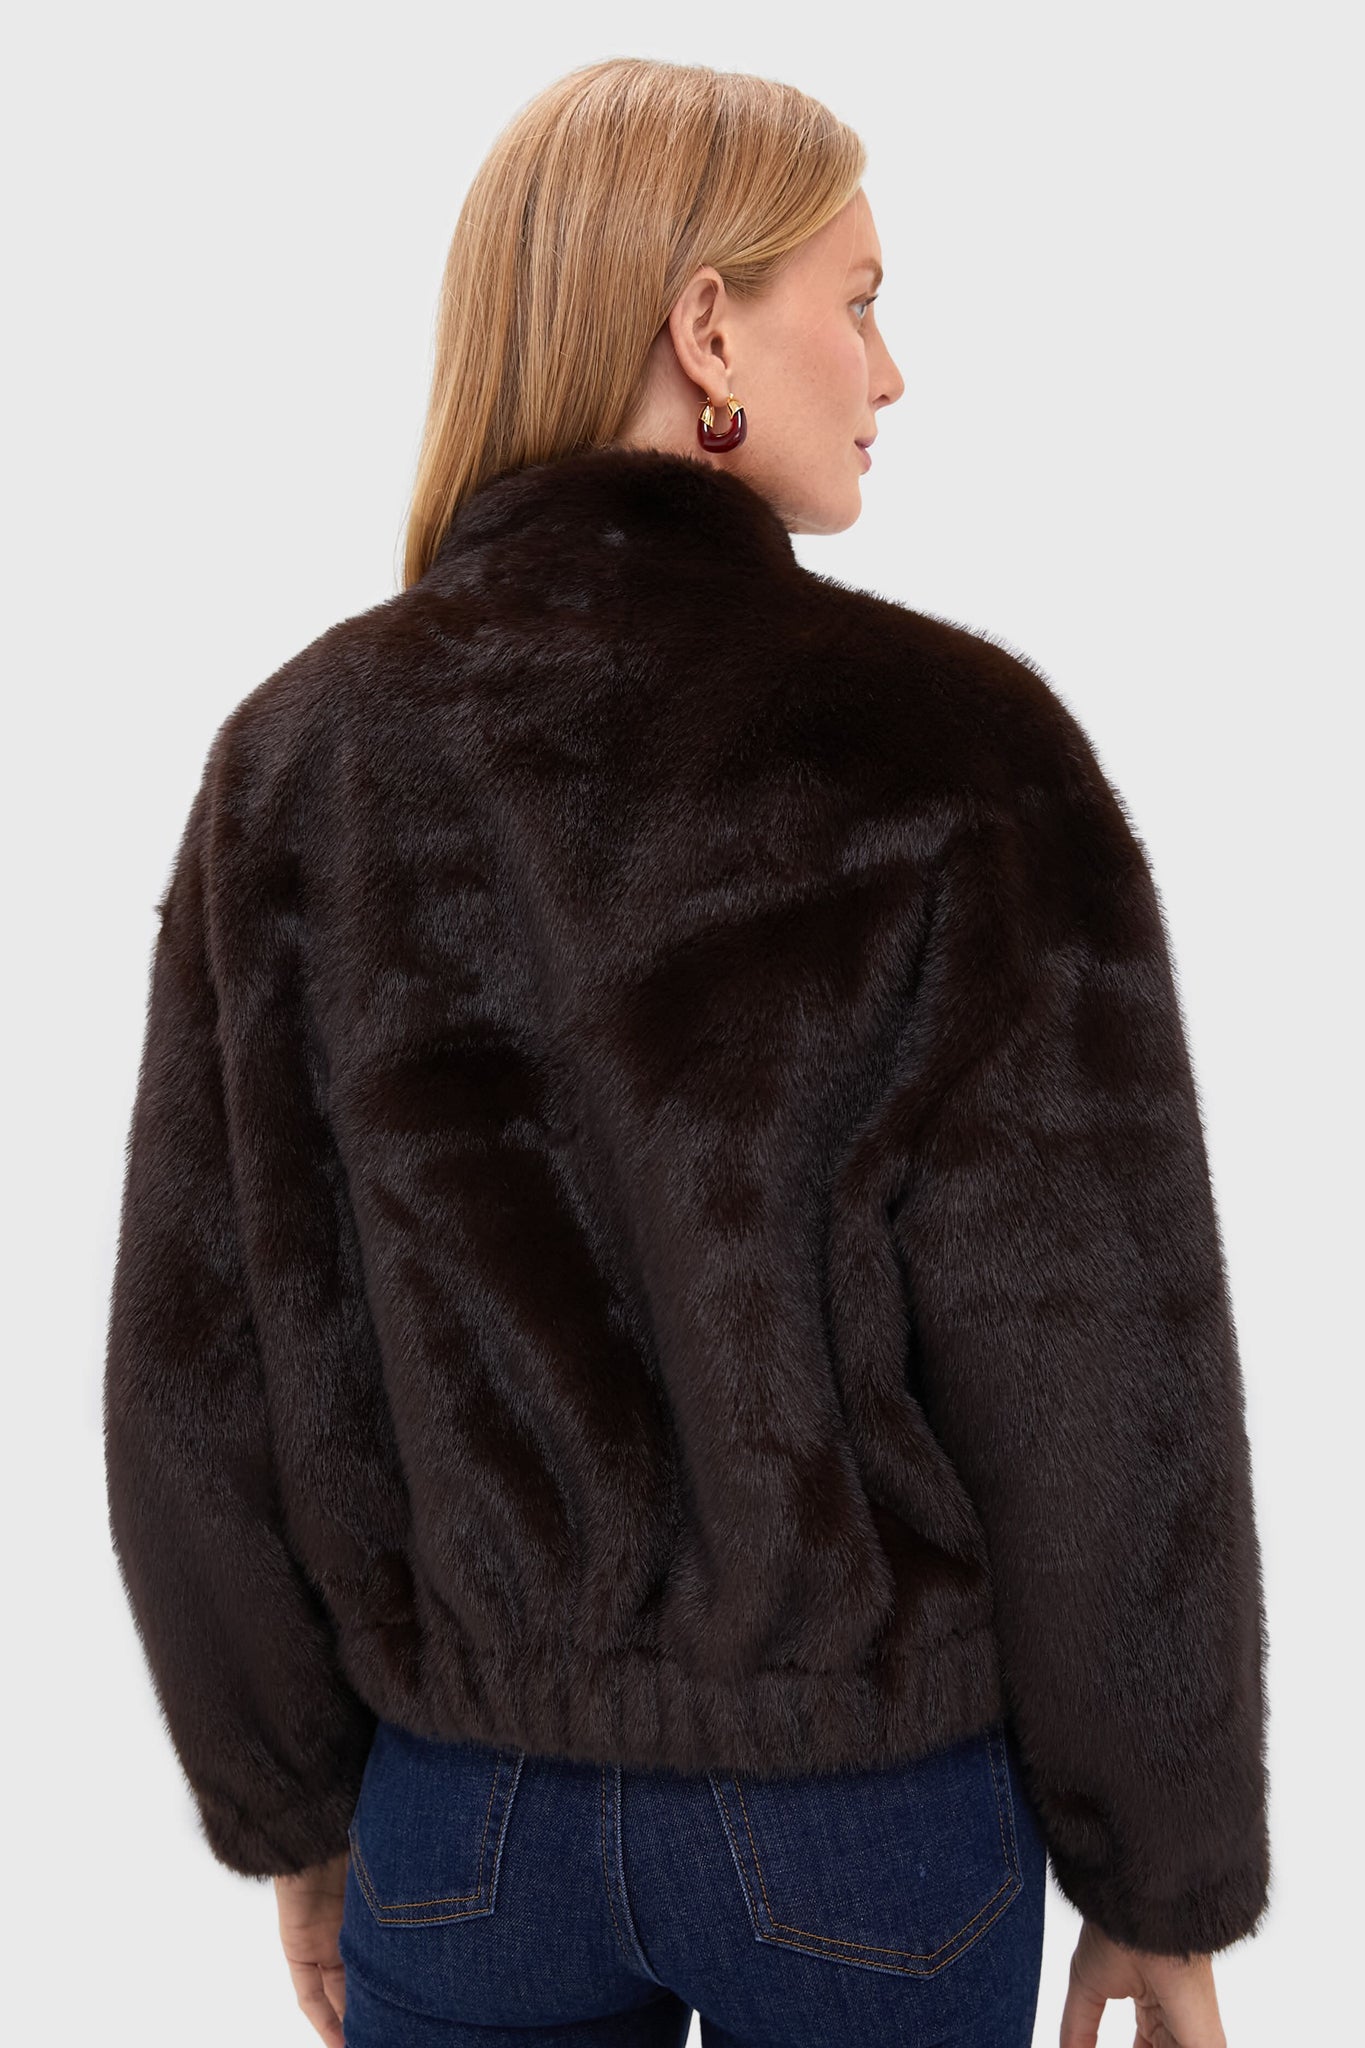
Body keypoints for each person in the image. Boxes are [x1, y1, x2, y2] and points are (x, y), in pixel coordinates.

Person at [103, 55, 1270, 2048]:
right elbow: (1093, 1359)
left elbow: (200, 1360)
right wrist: (1158, 1878)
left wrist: (292, 1802)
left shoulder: (301, 762)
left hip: (463, 1821)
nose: (889, 372)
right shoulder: (955, 753)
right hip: (865, 1827)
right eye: (861, 299)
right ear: (706, 327)